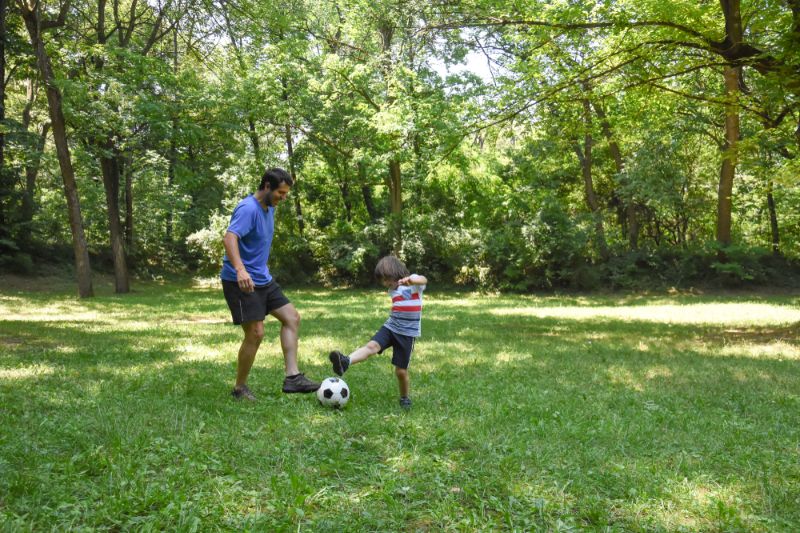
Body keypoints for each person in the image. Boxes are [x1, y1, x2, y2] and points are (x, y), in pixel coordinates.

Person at [221, 167, 319, 400]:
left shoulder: (268, 207)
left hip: (262, 278)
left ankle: (293, 378)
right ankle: (239, 388)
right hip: (241, 281)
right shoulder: (248, 209)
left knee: (291, 318)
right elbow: (230, 238)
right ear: (266, 186)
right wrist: (241, 270)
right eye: (280, 193)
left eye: (285, 194)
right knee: (255, 332)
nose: (283, 198)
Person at [329, 255, 427, 409]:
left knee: (401, 372)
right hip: (390, 327)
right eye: (383, 280)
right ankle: (345, 361)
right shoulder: (392, 290)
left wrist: (412, 280)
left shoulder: (415, 286)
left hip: (407, 335)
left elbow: (423, 279)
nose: (386, 283)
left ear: (396, 272)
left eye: (387, 278)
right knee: (371, 347)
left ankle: (404, 397)